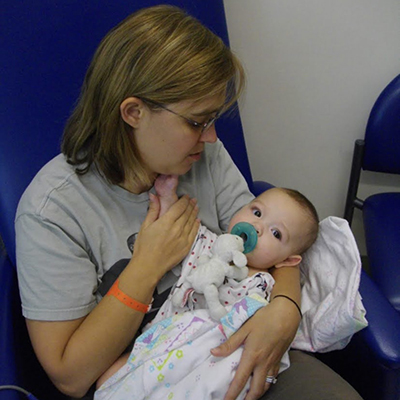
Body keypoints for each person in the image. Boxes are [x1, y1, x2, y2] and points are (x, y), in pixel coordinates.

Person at [15, 5, 363, 400]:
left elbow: (269, 248)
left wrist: (285, 308)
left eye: (213, 119)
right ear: (134, 112)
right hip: (147, 378)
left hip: (239, 344)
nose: (212, 137)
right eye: (197, 122)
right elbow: (71, 375)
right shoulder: (52, 212)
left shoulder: (202, 157)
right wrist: (147, 265)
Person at [94, 177, 320, 399]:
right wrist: (167, 196)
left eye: (276, 233)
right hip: (160, 338)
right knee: (107, 379)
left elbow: (255, 328)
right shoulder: (209, 241)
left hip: (203, 357)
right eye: (257, 212)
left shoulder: (262, 284)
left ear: (287, 261)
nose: (258, 227)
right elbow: (175, 229)